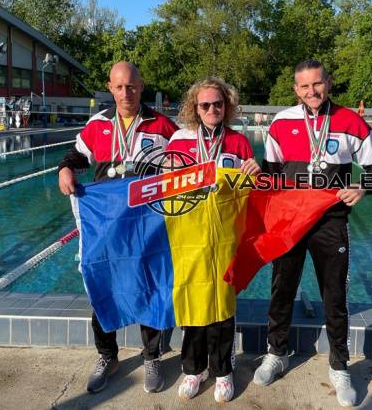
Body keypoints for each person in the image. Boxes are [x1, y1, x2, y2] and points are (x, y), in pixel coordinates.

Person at [254, 59, 372, 408]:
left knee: (334, 294)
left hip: (330, 220)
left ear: (328, 83)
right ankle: (276, 353)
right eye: (304, 86)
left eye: (317, 84)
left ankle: (339, 366)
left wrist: (362, 187)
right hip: (290, 221)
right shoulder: (281, 122)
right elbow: (270, 174)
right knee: (282, 288)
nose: (311, 91)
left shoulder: (350, 121)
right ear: (295, 89)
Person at [58, 61, 178, 394]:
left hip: (147, 225)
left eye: (132, 86)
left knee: (151, 286)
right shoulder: (98, 124)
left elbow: (185, 161)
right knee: (103, 284)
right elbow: (75, 156)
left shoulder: (162, 126)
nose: (126, 93)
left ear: (141, 86)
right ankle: (107, 356)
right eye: (120, 87)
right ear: (110, 88)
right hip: (107, 223)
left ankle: (152, 356)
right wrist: (64, 170)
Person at [166, 76, 260, 403]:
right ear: (195, 107)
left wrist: (254, 173)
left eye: (217, 104)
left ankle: (223, 371)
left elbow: (249, 192)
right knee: (192, 300)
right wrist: (167, 170)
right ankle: (194, 370)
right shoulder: (179, 140)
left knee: (222, 304)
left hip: (224, 237)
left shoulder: (238, 143)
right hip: (189, 236)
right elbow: (165, 188)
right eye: (204, 104)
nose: (211, 109)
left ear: (226, 106)